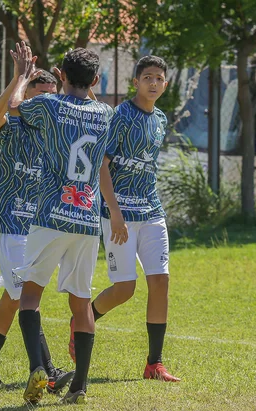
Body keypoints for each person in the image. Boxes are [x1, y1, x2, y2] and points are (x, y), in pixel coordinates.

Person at [8, 46, 127, 404]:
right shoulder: (106, 113)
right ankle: (79, 387)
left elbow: (15, 107)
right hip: (87, 219)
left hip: (49, 213)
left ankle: (36, 369)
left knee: (30, 294)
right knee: (81, 303)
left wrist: (23, 77)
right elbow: (90, 100)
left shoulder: (49, 105)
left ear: (60, 76)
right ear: (94, 81)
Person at [0, 42, 74, 395]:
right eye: (39, 94)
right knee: (25, 294)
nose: (47, 103)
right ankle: (47, 369)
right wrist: (18, 78)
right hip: (13, 222)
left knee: (15, 298)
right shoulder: (15, 128)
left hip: (42, 225)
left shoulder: (55, 136)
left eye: (52, 96)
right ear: (25, 97)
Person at [69, 55, 181, 383]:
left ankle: (154, 364)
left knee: (160, 281)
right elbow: (101, 165)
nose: (154, 83)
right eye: (147, 77)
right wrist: (114, 211)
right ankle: (82, 321)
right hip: (119, 213)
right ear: (135, 82)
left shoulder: (160, 118)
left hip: (151, 210)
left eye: (159, 78)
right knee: (125, 288)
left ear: (165, 84)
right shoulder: (120, 116)